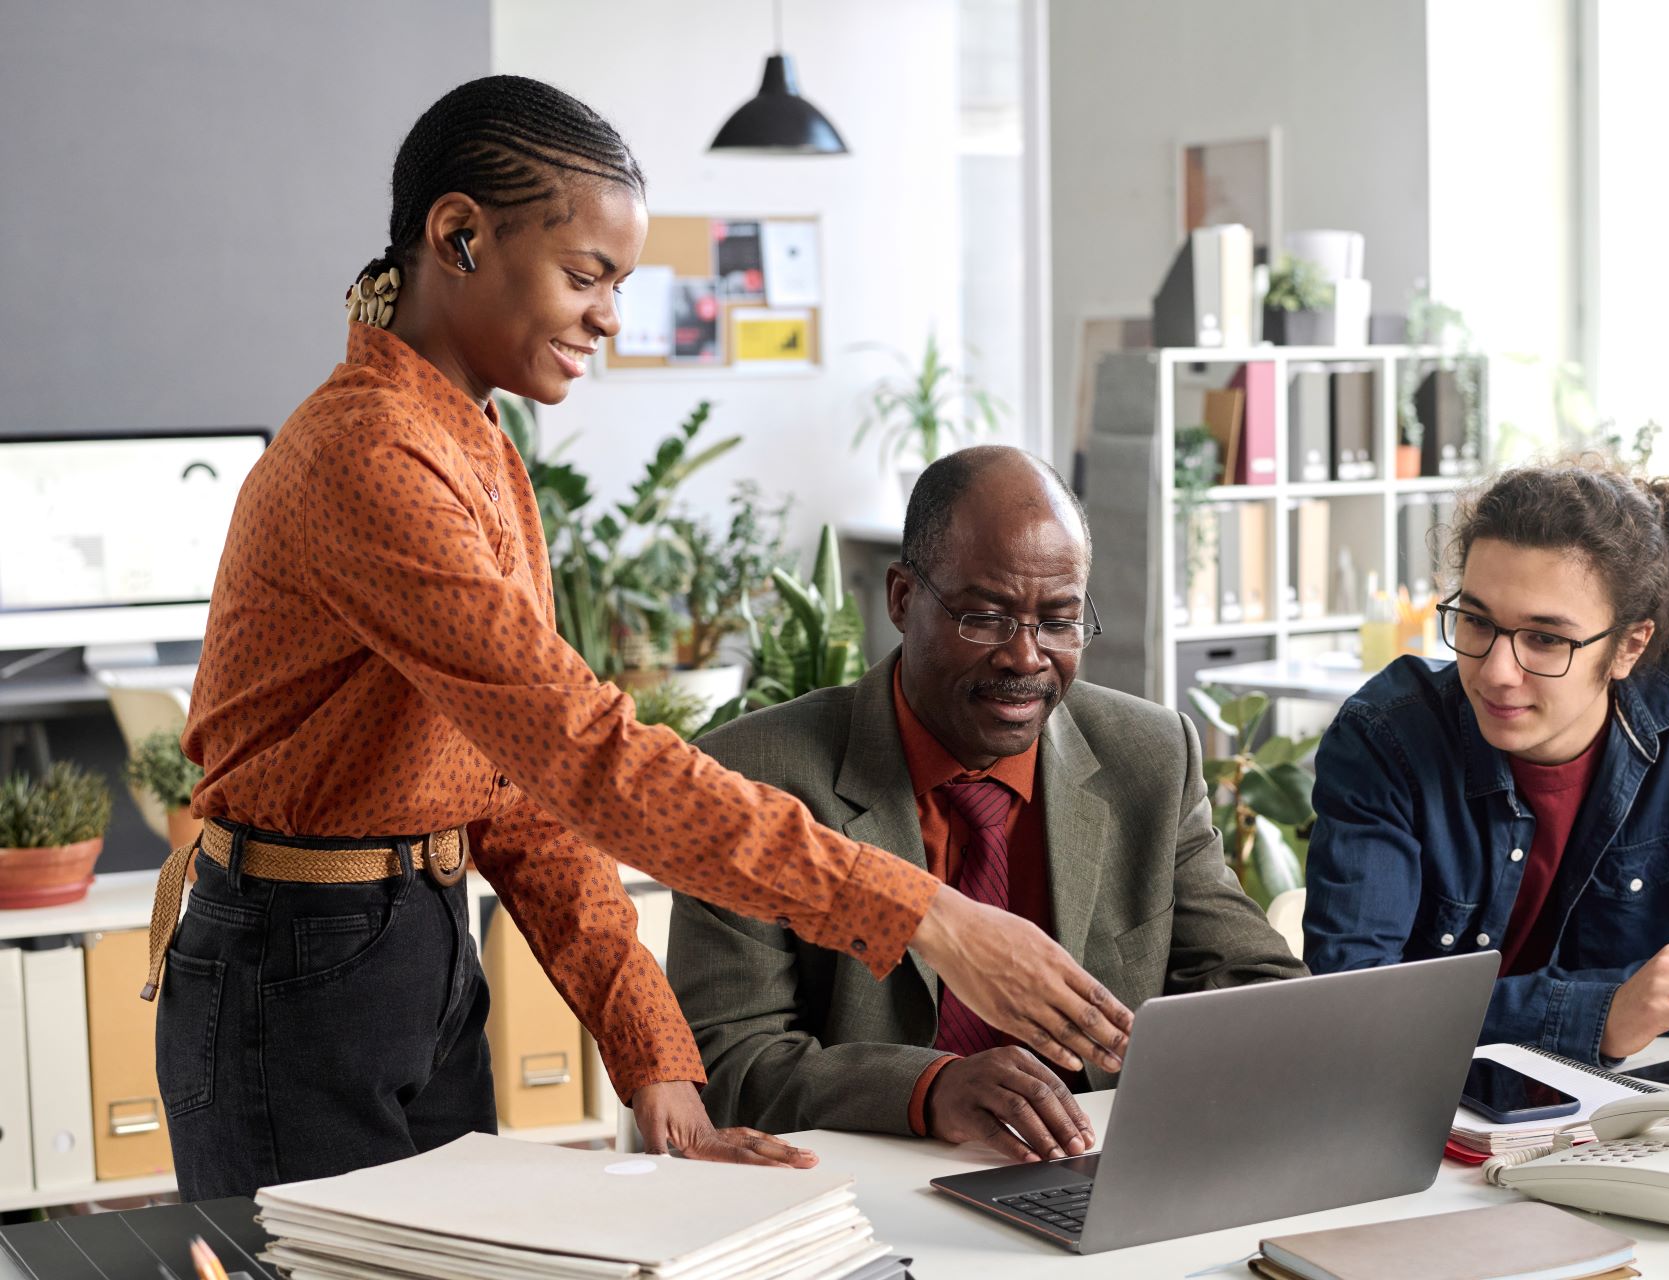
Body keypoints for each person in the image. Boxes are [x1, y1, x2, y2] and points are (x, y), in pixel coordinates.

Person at [147, 76, 1130, 1201]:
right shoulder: (371, 457)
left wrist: (655, 1054)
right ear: (458, 235)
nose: (611, 315)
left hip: (414, 936)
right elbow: (587, 753)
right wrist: (929, 912)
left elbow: (518, 783)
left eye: (617, 282)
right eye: (586, 274)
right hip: (295, 959)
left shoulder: (472, 442)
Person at [668, 447, 1305, 1165]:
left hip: (1092, 1177)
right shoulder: (754, 775)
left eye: (1059, 621)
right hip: (855, 1197)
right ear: (903, 599)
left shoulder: (1150, 756)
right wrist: (929, 1089)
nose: (1026, 658)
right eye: (986, 617)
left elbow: (1257, 992)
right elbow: (722, 1065)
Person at [1304, 459, 1669, 1064]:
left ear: (1628, 647)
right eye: (1478, 621)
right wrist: (1601, 1011)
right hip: (1430, 1102)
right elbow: (1353, 1004)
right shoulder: (1385, 736)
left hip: (1626, 1103)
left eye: (1546, 638)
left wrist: (1613, 1016)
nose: (1497, 672)